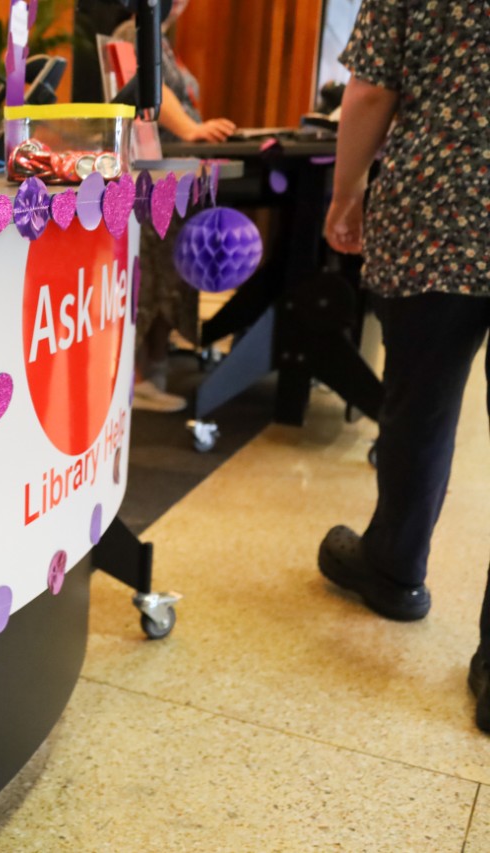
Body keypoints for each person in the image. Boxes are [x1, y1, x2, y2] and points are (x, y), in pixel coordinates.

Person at [317, 0, 490, 732]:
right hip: (442, 212)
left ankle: (393, 565)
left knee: (419, 403)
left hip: (437, 210)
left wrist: (345, 192)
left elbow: (371, 91)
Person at [114, 0, 236, 412]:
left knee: (171, 271)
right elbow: (148, 85)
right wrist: (191, 129)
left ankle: (154, 372)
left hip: (172, 172)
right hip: (152, 172)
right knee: (155, 275)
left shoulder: (164, 41)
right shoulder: (133, 31)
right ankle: (140, 378)